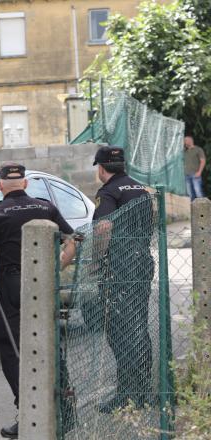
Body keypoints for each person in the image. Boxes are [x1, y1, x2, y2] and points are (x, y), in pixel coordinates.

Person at [0, 163, 76, 438]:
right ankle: (65, 411)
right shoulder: (46, 208)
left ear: (0, 186)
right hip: (43, 281)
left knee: (13, 349)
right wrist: (55, 267)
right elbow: (72, 241)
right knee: (50, 342)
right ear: (26, 184)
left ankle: (30, 416)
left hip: (11, 287)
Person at [91, 146, 155, 412]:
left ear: (102, 168)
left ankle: (127, 395)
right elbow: (150, 221)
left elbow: (104, 227)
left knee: (120, 330)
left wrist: (97, 260)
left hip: (120, 267)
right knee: (138, 325)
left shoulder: (108, 192)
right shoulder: (139, 189)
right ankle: (142, 390)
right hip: (142, 262)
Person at [184, 135, 206, 200]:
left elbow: (203, 161)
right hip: (186, 175)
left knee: (198, 192)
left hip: (195, 174)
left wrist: (199, 172)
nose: (184, 142)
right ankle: (192, 209)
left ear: (190, 141)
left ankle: (203, 208)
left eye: (185, 140)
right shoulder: (184, 151)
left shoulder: (198, 149)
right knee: (189, 194)